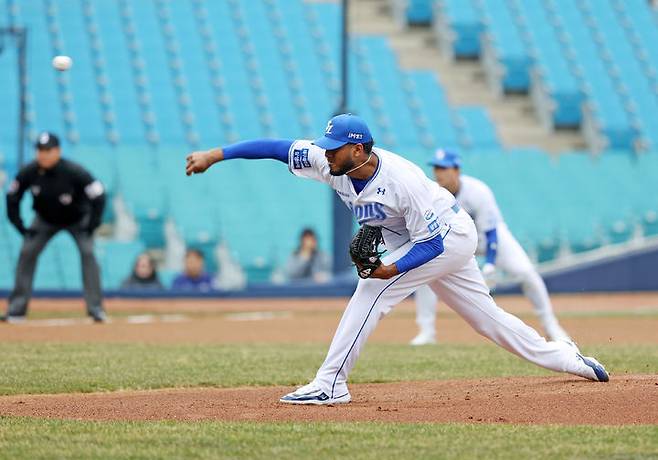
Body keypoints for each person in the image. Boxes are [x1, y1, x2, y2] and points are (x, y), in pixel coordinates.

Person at [185, 113, 608, 405]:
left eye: (334, 148)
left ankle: (330, 384)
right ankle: (569, 359)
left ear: (360, 150)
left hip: (449, 236)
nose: (325, 153)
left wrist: (391, 268)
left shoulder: (402, 180)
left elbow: (432, 246)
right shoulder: (327, 161)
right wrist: (216, 155)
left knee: (372, 288)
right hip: (427, 239)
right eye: (325, 146)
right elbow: (276, 147)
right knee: (487, 321)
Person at [410, 149, 570, 345]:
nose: (438, 172)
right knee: (426, 274)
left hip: (490, 238)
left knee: (527, 273)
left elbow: (491, 230)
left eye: (443, 167)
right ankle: (426, 332)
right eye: (436, 168)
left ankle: (552, 325)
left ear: (457, 170)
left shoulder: (477, 190)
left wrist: (490, 264)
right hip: (456, 240)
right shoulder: (433, 193)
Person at [3, 132, 106, 323]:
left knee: (88, 253)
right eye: (40, 150)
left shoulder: (75, 171)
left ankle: (96, 309)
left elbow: (98, 195)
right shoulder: (29, 172)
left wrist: (93, 224)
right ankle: (16, 310)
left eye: (48, 150)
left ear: (58, 151)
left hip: (78, 220)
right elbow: (12, 196)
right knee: (27, 252)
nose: (43, 155)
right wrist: (19, 226)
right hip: (45, 220)